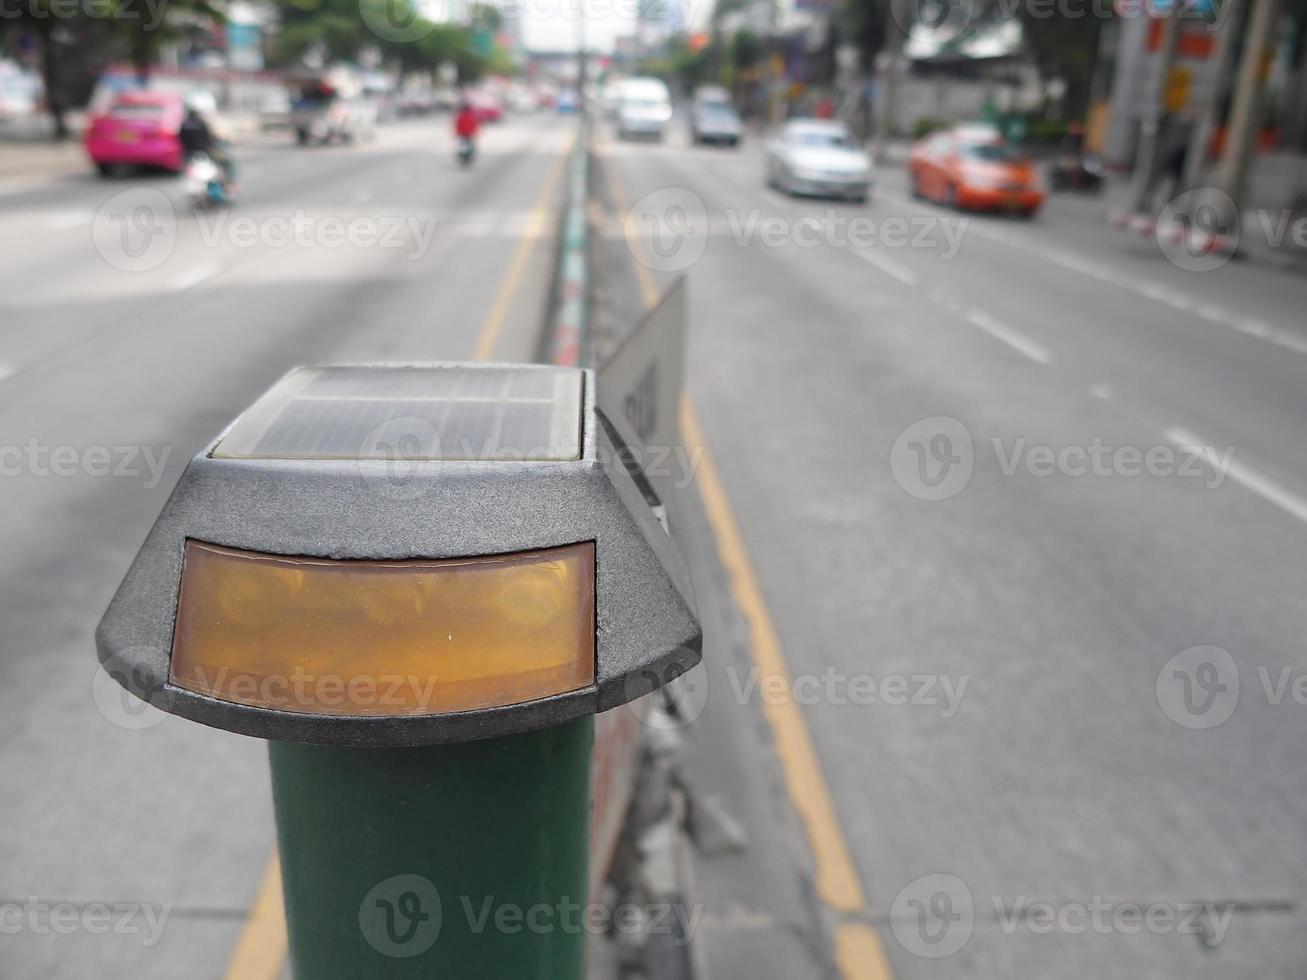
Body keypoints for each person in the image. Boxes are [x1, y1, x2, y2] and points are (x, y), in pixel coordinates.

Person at [179, 91, 235, 190]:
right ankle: (228, 185)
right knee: (226, 161)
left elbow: (181, 140)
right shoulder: (203, 124)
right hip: (206, 152)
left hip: (189, 154)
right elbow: (212, 138)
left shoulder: (184, 124)